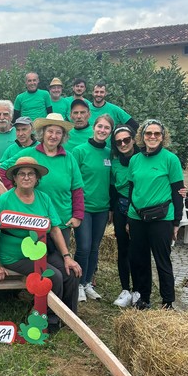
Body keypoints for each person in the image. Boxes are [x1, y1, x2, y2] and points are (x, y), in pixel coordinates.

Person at [0, 157, 82, 330]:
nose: (26, 177)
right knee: (54, 276)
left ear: (37, 178)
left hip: (42, 250)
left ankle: (70, 319)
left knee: (71, 272)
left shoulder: (44, 198)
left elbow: (54, 229)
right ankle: (50, 321)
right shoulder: (4, 201)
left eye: (31, 173)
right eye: (21, 173)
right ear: (14, 178)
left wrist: (67, 257)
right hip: (15, 256)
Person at [0, 113, 84, 249]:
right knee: (35, 260)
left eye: (58, 133)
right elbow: (3, 169)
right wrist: (15, 190)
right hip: (34, 220)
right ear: (42, 133)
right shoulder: (29, 153)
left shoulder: (69, 158)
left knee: (61, 260)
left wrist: (78, 215)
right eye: (50, 131)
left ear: (63, 136)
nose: (53, 136)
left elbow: (77, 189)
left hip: (62, 220)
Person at [127, 119, 184, 310]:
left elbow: (178, 192)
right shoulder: (135, 159)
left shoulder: (170, 159)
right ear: (142, 136)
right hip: (137, 217)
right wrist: (129, 217)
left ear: (162, 136)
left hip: (162, 218)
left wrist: (176, 222)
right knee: (139, 259)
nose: (152, 137)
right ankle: (143, 298)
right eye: (148, 133)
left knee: (162, 261)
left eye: (156, 134)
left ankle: (168, 301)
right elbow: (131, 189)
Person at [72, 115, 114, 302]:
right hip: (84, 208)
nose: (102, 130)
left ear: (110, 132)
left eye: (106, 128)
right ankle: (78, 284)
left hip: (102, 208)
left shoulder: (110, 153)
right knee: (84, 247)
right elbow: (72, 180)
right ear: (94, 127)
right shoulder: (80, 151)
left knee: (95, 248)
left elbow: (113, 182)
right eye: (100, 126)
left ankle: (88, 282)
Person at [109, 125, 141, 307]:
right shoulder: (114, 163)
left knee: (138, 249)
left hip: (138, 208)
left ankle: (138, 290)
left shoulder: (142, 159)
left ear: (133, 140)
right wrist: (111, 211)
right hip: (121, 206)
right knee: (123, 249)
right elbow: (113, 188)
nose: (123, 144)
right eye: (118, 141)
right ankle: (125, 290)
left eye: (126, 140)